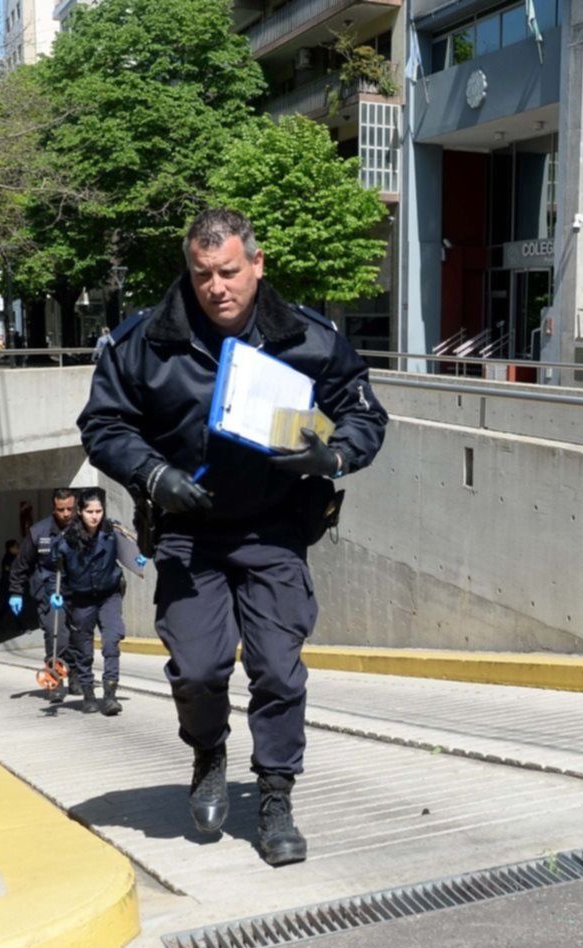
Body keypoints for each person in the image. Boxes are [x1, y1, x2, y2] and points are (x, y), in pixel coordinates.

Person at [78, 207, 388, 867]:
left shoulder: (306, 336)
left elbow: (364, 412)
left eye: (227, 272)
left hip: (275, 527)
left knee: (277, 668)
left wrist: (331, 456)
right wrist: (154, 474)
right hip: (189, 532)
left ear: (256, 264)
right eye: (202, 274)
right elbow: (103, 424)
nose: (216, 287)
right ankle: (209, 751)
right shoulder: (146, 341)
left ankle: (275, 793)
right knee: (198, 669)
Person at [48, 488, 128, 716]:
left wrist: (138, 559)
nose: (95, 516)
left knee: (111, 642)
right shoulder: (66, 541)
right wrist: (54, 593)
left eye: (99, 511)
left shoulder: (112, 533)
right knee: (84, 651)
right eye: (90, 512)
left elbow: (131, 550)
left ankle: (110, 696)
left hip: (109, 595)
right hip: (81, 600)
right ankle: (89, 696)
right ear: (80, 512)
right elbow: (55, 571)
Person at [8, 488, 78, 703]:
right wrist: (16, 592)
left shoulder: (82, 527)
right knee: (56, 635)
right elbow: (21, 564)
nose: (66, 514)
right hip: (48, 591)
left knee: (77, 635)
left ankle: (76, 675)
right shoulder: (39, 532)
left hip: (76, 590)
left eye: (70, 509)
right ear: (53, 508)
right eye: (61, 509)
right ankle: (55, 680)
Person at [0, 539, 25, 632]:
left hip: (12, 586)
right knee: (14, 605)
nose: (18, 548)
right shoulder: (8, 559)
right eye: (16, 547)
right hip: (10, 586)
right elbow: (12, 572)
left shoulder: (14, 557)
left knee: (9, 605)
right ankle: (20, 627)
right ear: (10, 548)